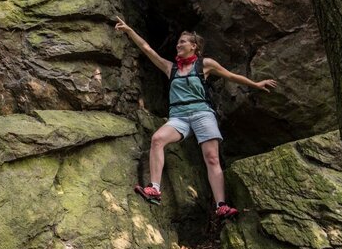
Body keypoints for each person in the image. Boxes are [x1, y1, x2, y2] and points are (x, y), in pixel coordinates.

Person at [114, 18, 278, 219]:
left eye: (183, 42)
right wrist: (130, 30)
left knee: (211, 157)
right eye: (178, 42)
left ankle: (221, 205)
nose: (178, 44)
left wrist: (256, 84)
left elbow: (230, 76)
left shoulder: (205, 64)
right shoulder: (170, 68)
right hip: (178, 117)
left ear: (194, 46)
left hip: (202, 113)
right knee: (157, 139)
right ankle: (155, 189)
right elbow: (147, 50)